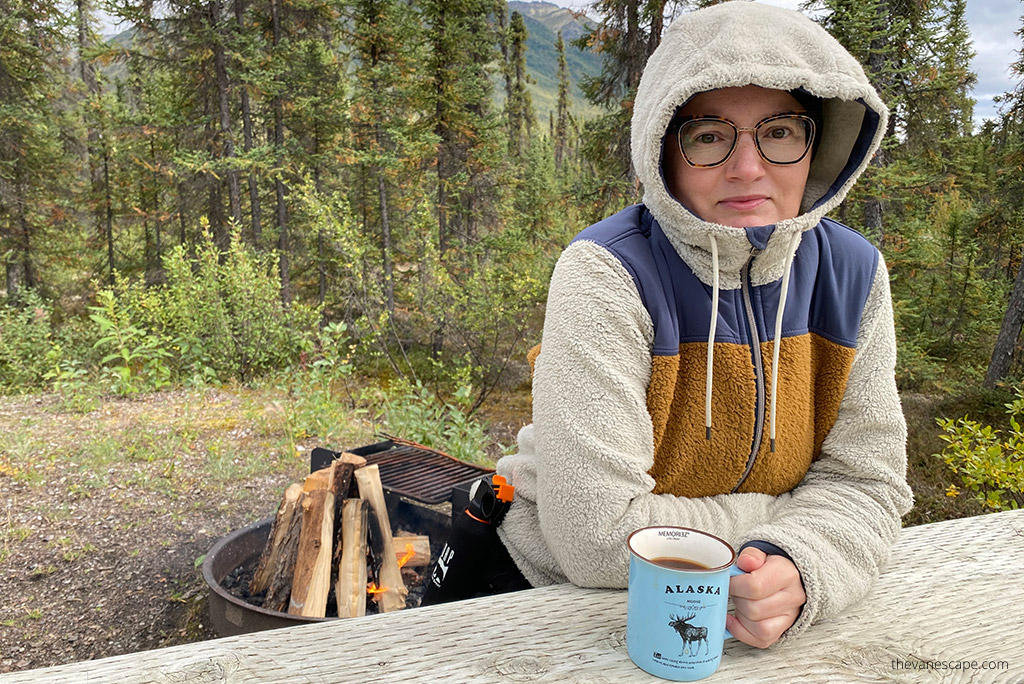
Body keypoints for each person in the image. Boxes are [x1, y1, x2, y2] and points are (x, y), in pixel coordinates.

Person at [429, 0, 914, 648]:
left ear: (816, 142)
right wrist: (784, 521)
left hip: (738, 621)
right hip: (547, 604)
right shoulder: (607, 275)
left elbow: (871, 484)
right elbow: (600, 540)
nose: (748, 168)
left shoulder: (852, 278)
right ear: (664, 149)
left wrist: (801, 562)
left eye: (779, 130)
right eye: (710, 135)